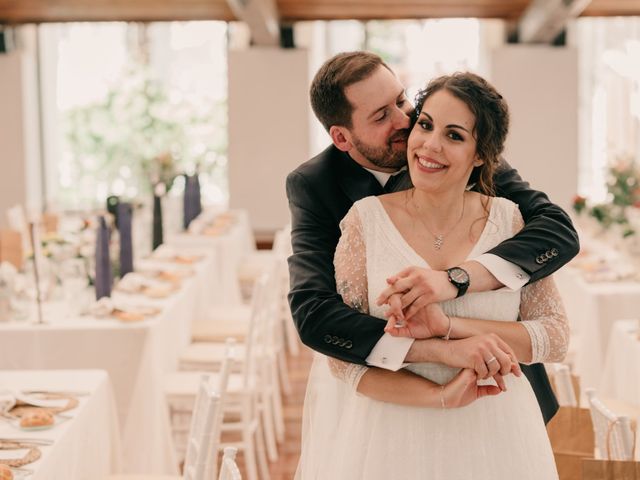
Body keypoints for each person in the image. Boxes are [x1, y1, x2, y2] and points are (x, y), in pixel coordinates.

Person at [295, 71, 568, 479]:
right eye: (383, 115)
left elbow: (556, 319)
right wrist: (442, 370)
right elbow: (320, 323)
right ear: (343, 137)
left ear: (481, 155)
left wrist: (451, 311)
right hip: (389, 429)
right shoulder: (348, 209)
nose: (410, 129)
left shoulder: (509, 217)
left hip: (496, 428)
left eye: (404, 104)